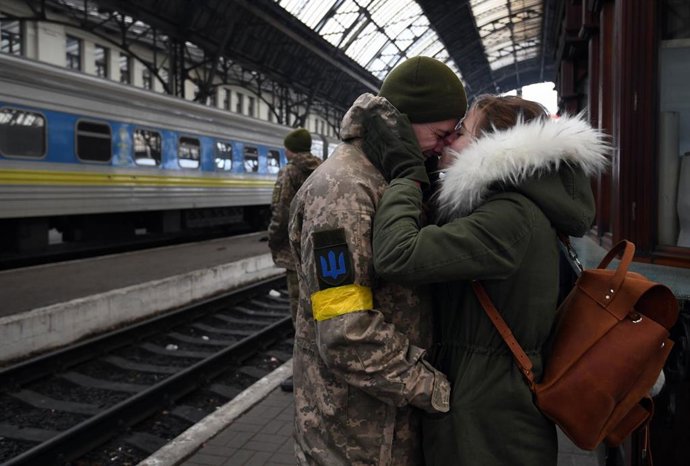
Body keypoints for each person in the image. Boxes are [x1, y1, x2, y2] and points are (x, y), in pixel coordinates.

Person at [367, 95, 609, 466]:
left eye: (462, 131)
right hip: (490, 403)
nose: (449, 140)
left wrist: (406, 177)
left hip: (488, 420)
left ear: (493, 144)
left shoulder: (509, 217)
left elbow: (398, 254)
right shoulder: (513, 206)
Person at [287, 56, 467, 465]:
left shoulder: (389, 177)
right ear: (402, 123)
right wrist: (433, 389)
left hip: (385, 424)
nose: (445, 146)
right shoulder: (344, 192)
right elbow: (344, 330)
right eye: (440, 134)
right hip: (356, 439)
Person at [267, 127, 321, 392]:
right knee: (319, 313)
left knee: (299, 316)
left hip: (295, 252)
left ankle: (303, 375)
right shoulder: (322, 168)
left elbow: (281, 211)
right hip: (318, 251)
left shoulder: (289, 172)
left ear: (290, 149)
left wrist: (274, 242)